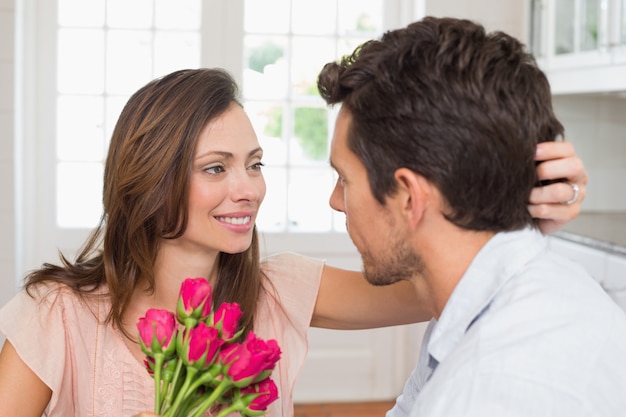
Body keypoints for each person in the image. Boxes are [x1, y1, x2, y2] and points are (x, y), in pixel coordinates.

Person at [0, 63, 584, 417]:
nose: (248, 189)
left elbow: (443, 283)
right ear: (148, 178)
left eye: (254, 164)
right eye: (215, 168)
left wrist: (519, 209)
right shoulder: (56, 314)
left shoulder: (280, 288)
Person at [316, 16, 626, 417]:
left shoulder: (489, 389)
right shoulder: (485, 300)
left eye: (344, 179)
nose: (335, 201)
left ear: (409, 197)